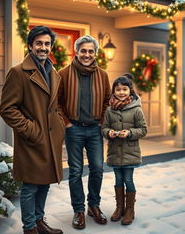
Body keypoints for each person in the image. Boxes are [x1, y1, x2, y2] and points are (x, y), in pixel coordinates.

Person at [0, 26, 65, 234]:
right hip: (32, 140)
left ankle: (39, 222)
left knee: (44, 182)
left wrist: (60, 125)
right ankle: (29, 228)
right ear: (30, 45)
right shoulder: (18, 72)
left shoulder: (53, 73)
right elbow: (7, 109)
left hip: (50, 140)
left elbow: (56, 106)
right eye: (39, 43)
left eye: (47, 44)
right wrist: (31, 130)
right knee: (30, 187)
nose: (43, 47)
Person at [58, 35, 111, 230]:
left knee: (97, 168)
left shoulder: (103, 75)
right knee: (75, 171)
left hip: (95, 129)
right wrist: (67, 123)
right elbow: (58, 102)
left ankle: (94, 206)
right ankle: (78, 210)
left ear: (95, 53)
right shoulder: (63, 73)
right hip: (74, 129)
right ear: (76, 52)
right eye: (83, 51)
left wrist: (102, 122)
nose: (87, 54)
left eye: (91, 51)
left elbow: (107, 100)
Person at [101, 74, 147, 225]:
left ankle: (130, 210)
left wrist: (130, 133)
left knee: (128, 179)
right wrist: (109, 133)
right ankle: (119, 207)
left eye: (124, 89)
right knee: (118, 180)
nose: (121, 92)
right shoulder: (109, 110)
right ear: (113, 91)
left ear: (130, 91)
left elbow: (143, 130)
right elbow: (104, 128)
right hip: (115, 151)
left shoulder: (136, 109)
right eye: (118, 89)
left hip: (130, 152)